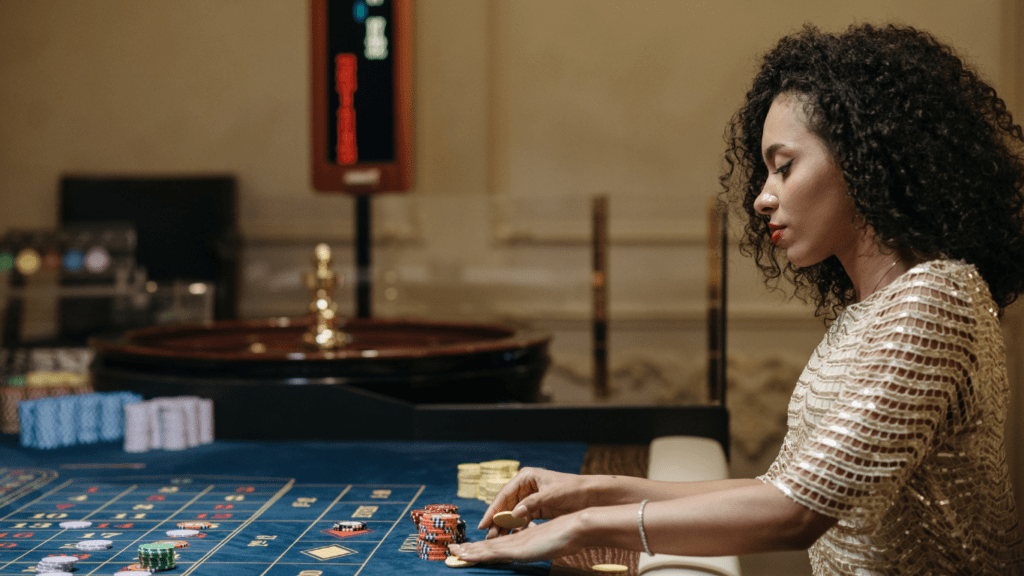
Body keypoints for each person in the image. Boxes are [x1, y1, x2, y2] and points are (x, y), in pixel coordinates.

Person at [449, 23, 1024, 575]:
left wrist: (587, 526)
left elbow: (792, 515)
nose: (761, 198)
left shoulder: (935, 298)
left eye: (784, 168)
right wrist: (589, 492)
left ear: (861, 160)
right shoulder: (872, 309)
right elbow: (776, 490)